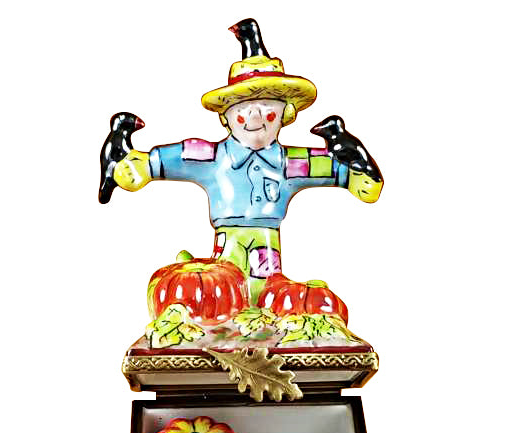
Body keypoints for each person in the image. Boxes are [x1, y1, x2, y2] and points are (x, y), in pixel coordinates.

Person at [112, 19, 383, 303]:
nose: (254, 118)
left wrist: (353, 176)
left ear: (286, 114)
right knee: (222, 288)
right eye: (243, 110)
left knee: (266, 291)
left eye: (267, 109)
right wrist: (145, 165)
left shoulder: (290, 163)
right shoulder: (212, 158)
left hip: (266, 238)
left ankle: (263, 310)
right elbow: (181, 156)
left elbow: (323, 166)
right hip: (227, 241)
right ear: (225, 116)